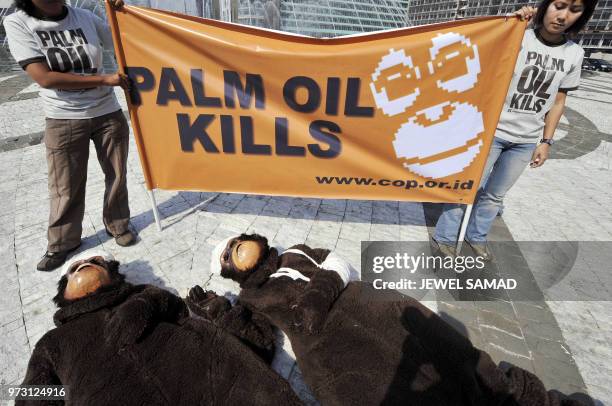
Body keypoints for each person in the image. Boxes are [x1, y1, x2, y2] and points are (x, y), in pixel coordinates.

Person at [197, 233, 587, 406]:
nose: (236, 248)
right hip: (336, 354)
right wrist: (219, 313)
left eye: (234, 242)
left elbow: (338, 262)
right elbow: (259, 341)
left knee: (462, 360)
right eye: (229, 255)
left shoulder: (295, 253)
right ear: (230, 272)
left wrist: (319, 293)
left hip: (380, 310)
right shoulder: (252, 298)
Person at [18, 251, 303, 406]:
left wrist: (223, 314)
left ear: (114, 274)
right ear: (63, 293)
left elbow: (233, 344)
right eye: (76, 267)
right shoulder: (53, 342)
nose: (86, 263)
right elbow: (32, 395)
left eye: (96, 260)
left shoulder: (157, 300)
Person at [433, 0, 597, 260]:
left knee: (495, 195)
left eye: (575, 10)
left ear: (582, 16)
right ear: (546, 5)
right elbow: (480, 53)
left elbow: (558, 101)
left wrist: (546, 141)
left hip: (525, 140)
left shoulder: (574, 54)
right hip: (491, 132)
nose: (563, 16)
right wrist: (511, 22)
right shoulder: (519, 36)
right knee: (466, 187)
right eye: (559, 5)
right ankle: (445, 237)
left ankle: (476, 237)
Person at [3, 0, 137, 272]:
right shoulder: (18, 22)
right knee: (65, 185)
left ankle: (118, 224)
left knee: (117, 174)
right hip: (64, 117)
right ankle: (63, 242)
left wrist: (121, 14)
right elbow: (45, 78)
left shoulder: (84, 16)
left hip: (107, 112)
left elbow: (120, 42)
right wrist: (103, 80)